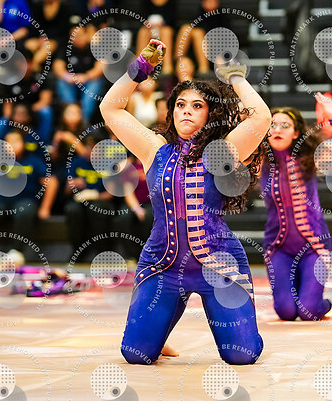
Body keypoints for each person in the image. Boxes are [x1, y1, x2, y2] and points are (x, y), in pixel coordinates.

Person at [100, 39, 271, 365]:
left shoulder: (224, 149)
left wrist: (235, 76)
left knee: (242, 355)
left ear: (210, 114)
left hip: (219, 265)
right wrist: (140, 69)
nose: (186, 111)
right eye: (180, 104)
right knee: (135, 354)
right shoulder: (153, 148)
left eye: (196, 106)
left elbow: (261, 117)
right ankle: (157, 332)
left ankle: (243, 330)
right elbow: (110, 109)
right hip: (162, 265)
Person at [262, 95, 332, 321]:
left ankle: (323, 303)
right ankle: (299, 288)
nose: (277, 130)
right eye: (272, 126)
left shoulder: (309, 157)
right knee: (286, 311)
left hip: (313, 246)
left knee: (308, 311)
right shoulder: (260, 160)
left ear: (296, 133)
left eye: (285, 125)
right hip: (278, 247)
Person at [0, 130, 58, 260]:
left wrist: (45, 207)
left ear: (23, 143)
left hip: (25, 200)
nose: (13, 145)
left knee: (24, 212)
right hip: (1, 201)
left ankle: (17, 252)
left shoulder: (33, 161)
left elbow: (52, 182)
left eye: (16, 141)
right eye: (9, 142)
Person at [53, 25, 104, 124]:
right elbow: (57, 66)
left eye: (80, 35)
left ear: (86, 35)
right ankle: (70, 118)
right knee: (61, 82)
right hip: (71, 80)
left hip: (89, 80)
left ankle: (83, 124)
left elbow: (101, 67)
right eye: (74, 36)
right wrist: (68, 77)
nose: (77, 38)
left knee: (93, 88)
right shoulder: (66, 48)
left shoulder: (94, 47)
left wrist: (86, 76)